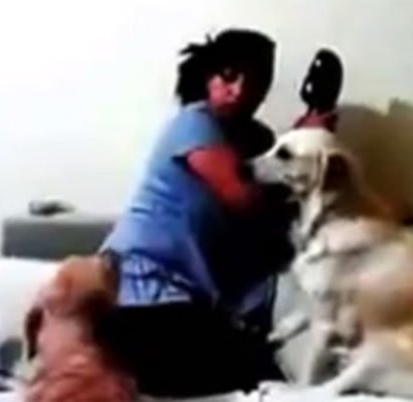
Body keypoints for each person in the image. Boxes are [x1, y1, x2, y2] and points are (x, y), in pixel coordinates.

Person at [97, 29, 296, 397]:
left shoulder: (257, 140)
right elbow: (243, 198)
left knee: (264, 369)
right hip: (143, 290)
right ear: (208, 76)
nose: (240, 91)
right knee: (253, 373)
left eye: (257, 81)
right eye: (229, 76)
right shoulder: (196, 121)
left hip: (191, 301)